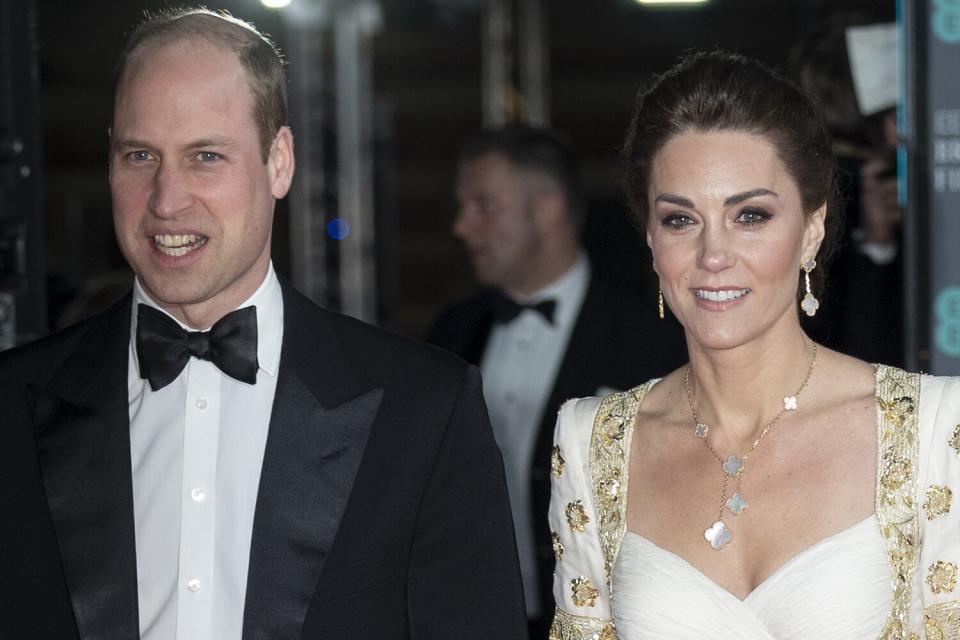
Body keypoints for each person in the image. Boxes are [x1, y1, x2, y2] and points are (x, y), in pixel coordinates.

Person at [0, 8, 527, 639]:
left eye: (206, 156)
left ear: (279, 162)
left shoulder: (424, 411)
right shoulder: (10, 405)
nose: (166, 200)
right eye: (140, 154)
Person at [548, 51, 960, 639]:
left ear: (810, 230)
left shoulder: (936, 430)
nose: (713, 256)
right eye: (680, 220)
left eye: (750, 215)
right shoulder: (590, 442)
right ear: (650, 237)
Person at [428, 125, 684, 637]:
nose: (463, 226)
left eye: (484, 205)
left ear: (546, 210)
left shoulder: (648, 337)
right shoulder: (452, 332)